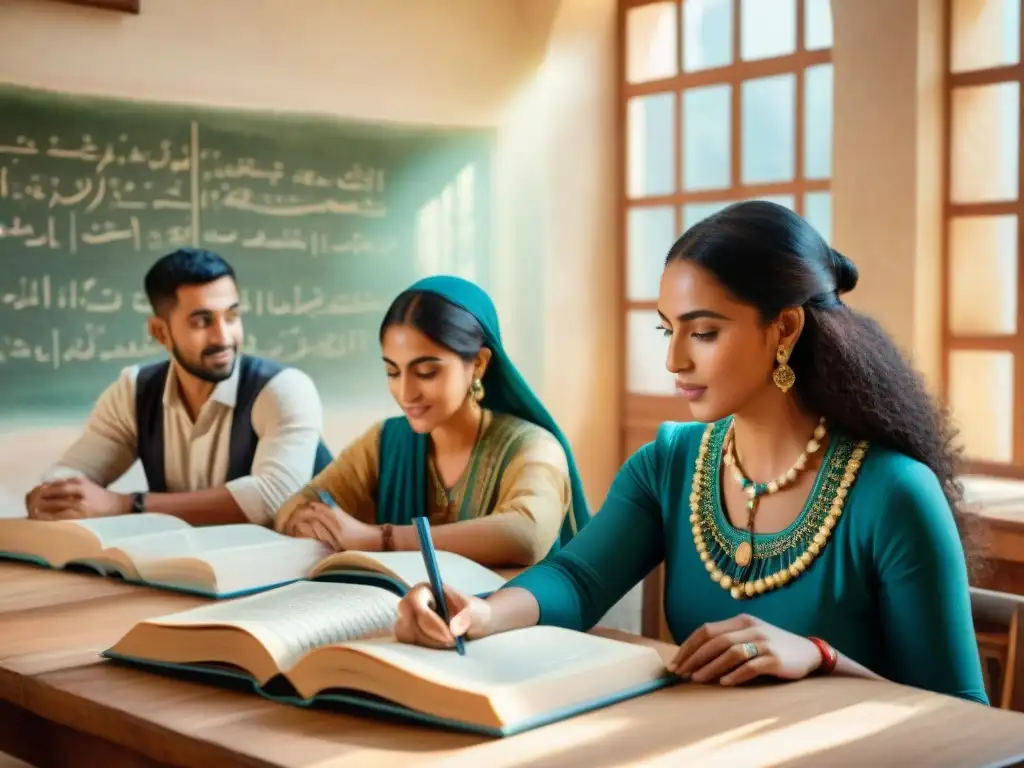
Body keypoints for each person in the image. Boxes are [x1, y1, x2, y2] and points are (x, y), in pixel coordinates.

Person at [393, 201, 989, 704]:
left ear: (783, 329)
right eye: (666, 329)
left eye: (703, 332)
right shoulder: (670, 463)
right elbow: (576, 580)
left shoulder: (893, 493)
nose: (675, 360)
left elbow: (965, 722)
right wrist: (483, 612)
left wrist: (820, 656)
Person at [274, 275, 591, 567]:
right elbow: (295, 507)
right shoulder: (385, 442)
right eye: (393, 372)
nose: (406, 392)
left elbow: (526, 535)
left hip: (506, 624)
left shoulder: (533, 447)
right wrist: (310, 522)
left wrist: (381, 539)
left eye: (427, 372)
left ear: (478, 364)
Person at [24, 248, 332, 526]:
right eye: (202, 321)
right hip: (192, 575)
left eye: (232, 316)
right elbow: (68, 474)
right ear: (160, 332)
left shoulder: (284, 389)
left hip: (313, 572)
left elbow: (273, 497)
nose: (223, 337)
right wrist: (51, 495)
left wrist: (126, 505)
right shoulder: (134, 391)